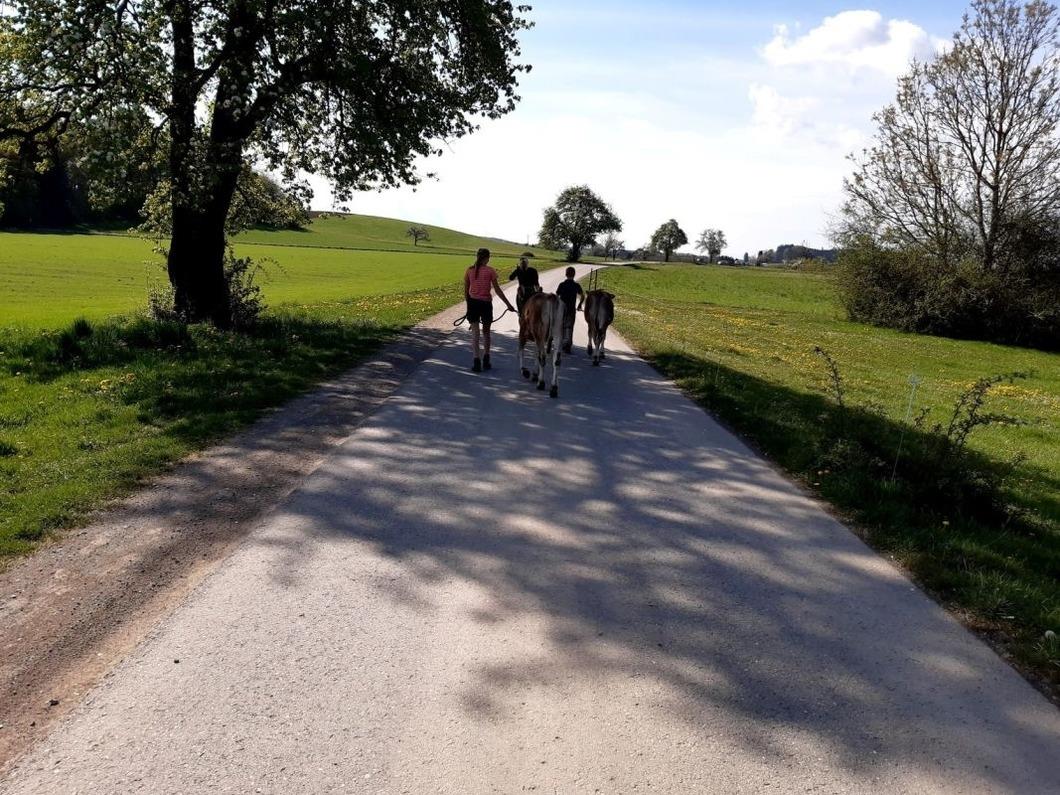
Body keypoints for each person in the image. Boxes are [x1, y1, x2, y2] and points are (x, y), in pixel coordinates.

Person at [464, 247, 516, 372]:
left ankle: (476, 361)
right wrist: (508, 304)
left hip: (473, 304)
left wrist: (469, 306)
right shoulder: (490, 271)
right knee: (486, 333)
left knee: (475, 334)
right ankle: (486, 360)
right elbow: (497, 290)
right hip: (486, 304)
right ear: (487, 258)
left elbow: (466, 291)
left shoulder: (469, 270)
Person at [555, 266, 584, 354]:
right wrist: (579, 304)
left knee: (561, 326)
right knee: (570, 327)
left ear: (566, 274)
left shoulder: (562, 285)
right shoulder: (576, 285)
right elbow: (582, 296)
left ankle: (562, 342)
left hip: (562, 308)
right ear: (574, 275)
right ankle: (568, 345)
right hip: (571, 309)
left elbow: (557, 296)